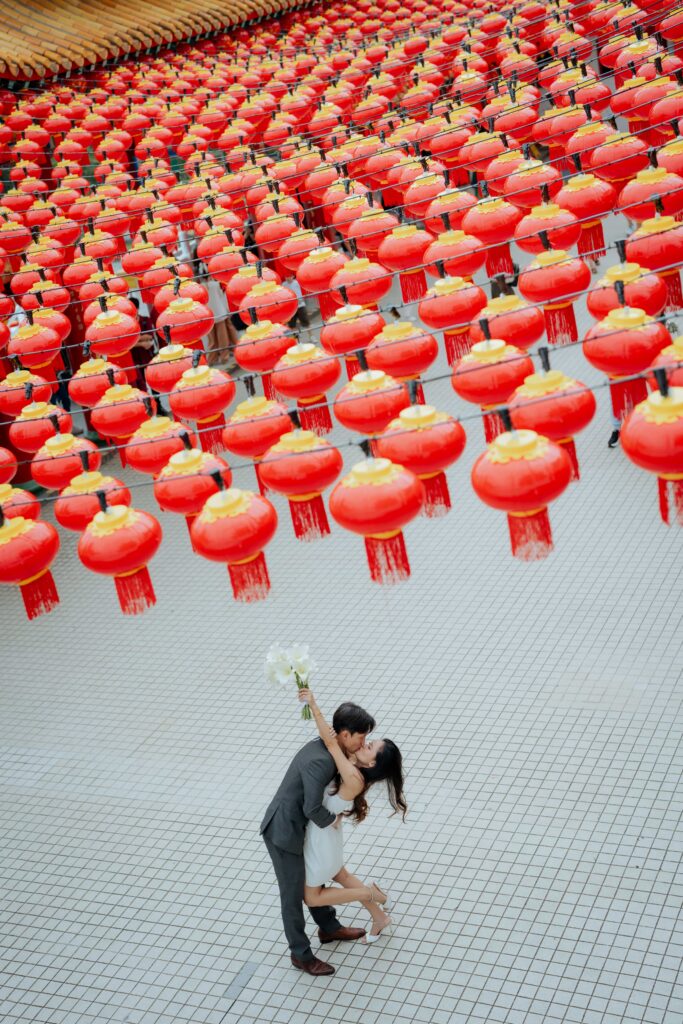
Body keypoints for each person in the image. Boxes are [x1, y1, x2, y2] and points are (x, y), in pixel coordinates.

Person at [260, 699, 376, 976]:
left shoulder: (328, 744)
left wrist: (312, 701)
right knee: (292, 895)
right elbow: (311, 808)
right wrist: (333, 820)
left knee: (315, 876)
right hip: (284, 832)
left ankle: (329, 928)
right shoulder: (321, 761)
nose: (363, 743)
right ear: (345, 735)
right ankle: (300, 955)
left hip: (299, 829)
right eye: (362, 737)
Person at [300, 687, 406, 947]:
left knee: (312, 897)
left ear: (371, 764)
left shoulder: (352, 775)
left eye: (370, 746)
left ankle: (371, 893)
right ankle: (379, 917)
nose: (365, 742)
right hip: (330, 833)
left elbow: (329, 740)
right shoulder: (353, 765)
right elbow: (336, 737)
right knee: (340, 875)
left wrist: (313, 704)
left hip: (321, 839)